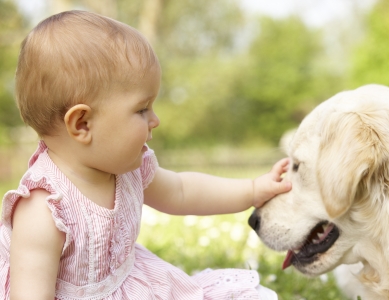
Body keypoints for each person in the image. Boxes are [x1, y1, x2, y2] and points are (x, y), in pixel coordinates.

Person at [0, 10, 292, 300]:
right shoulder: (44, 209)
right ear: (82, 124)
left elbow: (182, 190)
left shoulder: (128, 168)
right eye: (142, 109)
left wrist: (252, 190)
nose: (155, 120)